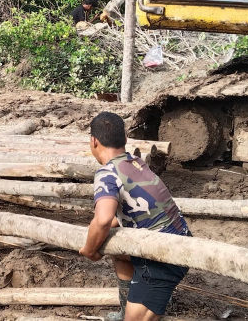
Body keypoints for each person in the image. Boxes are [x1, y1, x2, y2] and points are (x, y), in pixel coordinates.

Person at [79, 112, 190, 321]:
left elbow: (103, 220)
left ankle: (146, 299)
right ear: (125, 140)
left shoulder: (107, 173)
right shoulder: (136, 162)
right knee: (118, 252)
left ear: (94, 141)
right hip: (178, 237)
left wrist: (90, 249)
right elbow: (118, 217)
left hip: (163, 256)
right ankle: (127, 308)